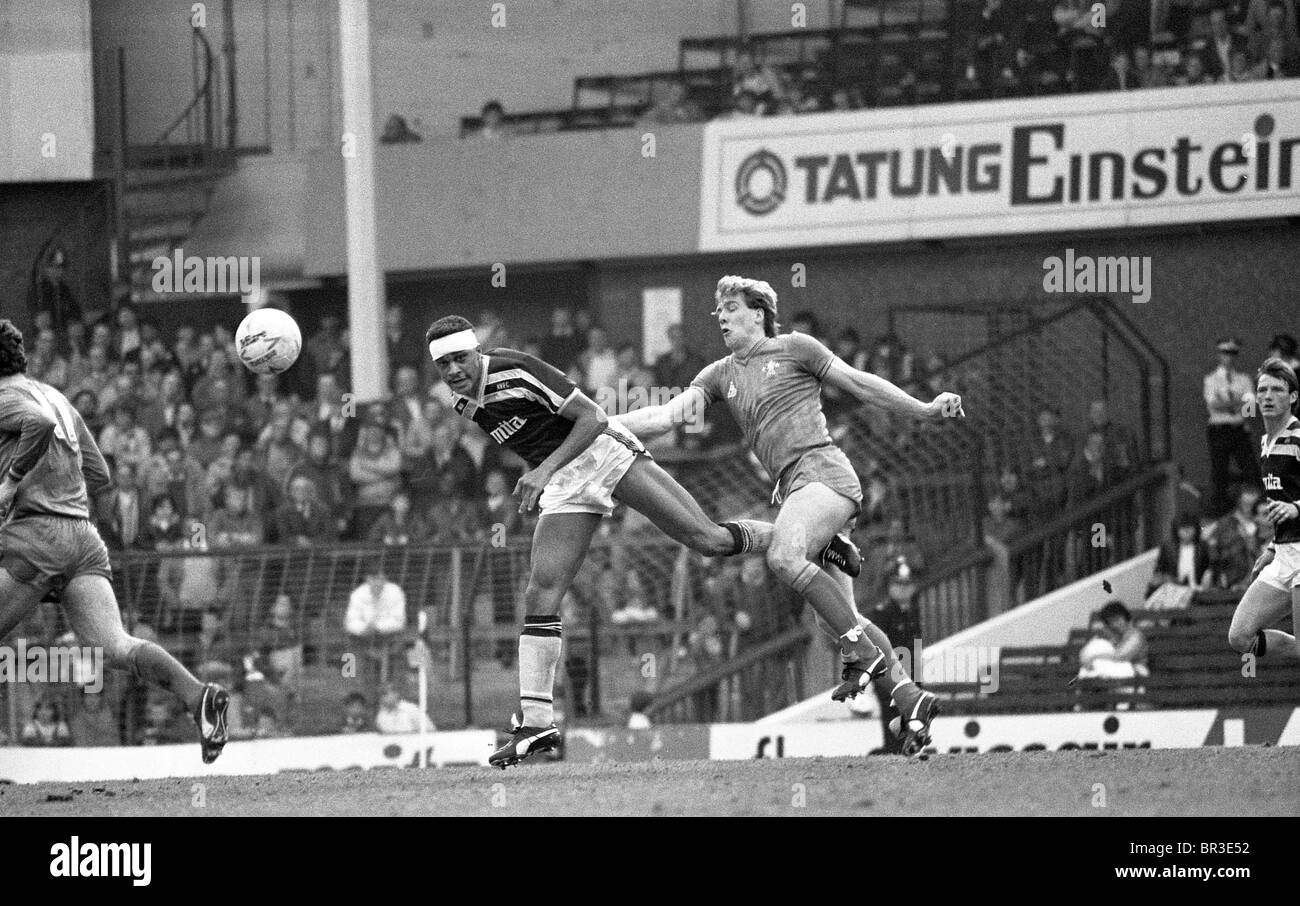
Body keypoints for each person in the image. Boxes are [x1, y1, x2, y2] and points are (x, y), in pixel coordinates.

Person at [426, 315, 861, 768]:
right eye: (444, 364)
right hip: (566, 480)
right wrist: (545, 472)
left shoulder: (513, 369)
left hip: (603, 452)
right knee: (540, 591)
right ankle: (537, 722)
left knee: (707, 539)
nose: (454, 369)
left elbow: (592, 417)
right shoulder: (460, 399)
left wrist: (541, 470)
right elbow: (533, 434)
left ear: (476, 352)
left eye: (460, 358)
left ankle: (808, 538)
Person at [618, 276, 965, 755]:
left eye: (731, 307)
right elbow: (664, 418)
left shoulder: (795, 348)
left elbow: (859, 383)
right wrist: (602, 426)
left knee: (783, 554)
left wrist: (923, 409)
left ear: (758, 313)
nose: (720, 316)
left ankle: (860, 653)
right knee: (837, 620)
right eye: (718, 311)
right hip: (797, 495)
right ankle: (908, 694)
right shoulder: (719, 374)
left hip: (825, 476)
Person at [0, 321, 229, 763]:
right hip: (82, 538)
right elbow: (100, 474)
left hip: (36, 535)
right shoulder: (57, 396)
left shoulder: (8, 398)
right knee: (117, 646)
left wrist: (12, 482)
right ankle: (198, 695)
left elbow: (38, 425)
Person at [1228, 359, 1300, 661]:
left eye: (1277, 389)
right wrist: (1272, 546)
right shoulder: (1265, 443)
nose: (1268, 396)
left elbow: (1291, 502)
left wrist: (1296, 508)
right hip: (1284, 554)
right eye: (1262, 390)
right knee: (1240, 636)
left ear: (1293, 397)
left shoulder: (1298, 438)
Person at [1204, 337, 1259, 516]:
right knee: (1220, 472)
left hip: (1239, 429)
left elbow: (1250, 408)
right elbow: (1213, 405)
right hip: (1219, 430)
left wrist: (1227, 403)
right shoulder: (1211, 380)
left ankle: (1256, 507)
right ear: (1219, 355)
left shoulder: (1244, 379)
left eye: (1233, 353)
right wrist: (1238, 402)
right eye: (1226, 353)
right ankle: (1220, 510)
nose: (1229, 357)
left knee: (1251, 471)